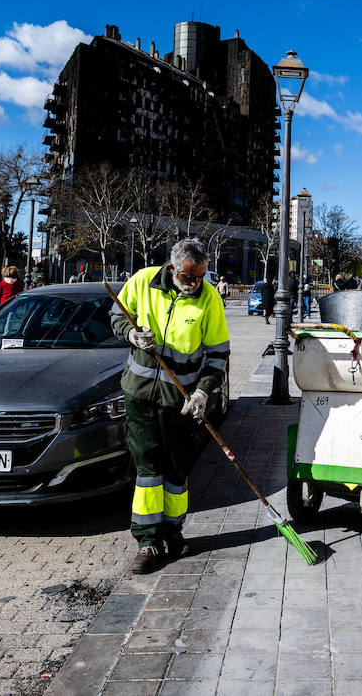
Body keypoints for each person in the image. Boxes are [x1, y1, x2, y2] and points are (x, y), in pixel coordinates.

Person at [111, 238, 230, 575]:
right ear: (173, 268)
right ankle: (147, 541)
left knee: (177, 469)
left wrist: (204, 393)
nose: (196, 284)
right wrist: (133, 336)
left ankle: (173, 531)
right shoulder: (142, 281)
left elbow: (218, 354)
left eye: (201, 277)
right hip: (140, 395)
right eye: (190, 277)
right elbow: (117, 317)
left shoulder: (209, 299)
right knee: (148, 467)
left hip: (181, 402)